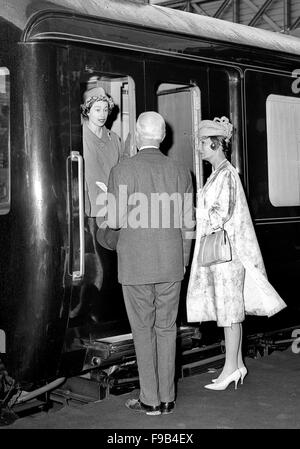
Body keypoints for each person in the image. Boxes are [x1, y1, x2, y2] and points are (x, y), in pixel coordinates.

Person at [186, 116, 287, 391]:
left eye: (202, 143)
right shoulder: (221, 173)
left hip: (227, 256)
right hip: (226, 255)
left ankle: (231, 367)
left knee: (230, 314)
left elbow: (222, 212)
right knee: (231, 312)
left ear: (216, 144)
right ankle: (235, 364)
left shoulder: (227, 174)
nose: (199, 147)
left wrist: (197, 213)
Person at [106, 111, 194, 415]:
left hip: (136, 265)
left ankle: (150, 400)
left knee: (143, 331)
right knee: (167, 329)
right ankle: (168, 398)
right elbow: (188, 224)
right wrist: (182, 261)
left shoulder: (122, 170)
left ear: (136, 134)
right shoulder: (181, 171)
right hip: (171, 264)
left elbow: (114, 220)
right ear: (163, 137)